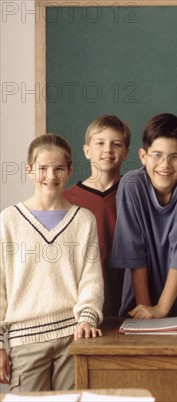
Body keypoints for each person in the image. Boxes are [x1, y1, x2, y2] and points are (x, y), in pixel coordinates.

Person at [0, 134, 103, 391]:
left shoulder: (83, 220)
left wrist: (87, 318)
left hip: (73, 336)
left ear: (69, 171)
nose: (50, 176)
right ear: (29, 169)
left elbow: (91, 277)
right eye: (42, 168)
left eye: (58, 169)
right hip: (25, 341)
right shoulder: (8, 221)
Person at [110, 113, 177, 319]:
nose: (164, 165)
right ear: (142, 156)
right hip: (140, 296)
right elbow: (134, 253)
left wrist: (161, 309)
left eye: (174, 157)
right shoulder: (131, 185)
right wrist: (146, 308)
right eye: (156, 155)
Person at [63, 115, 130, 317]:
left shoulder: (135, 195)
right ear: (87, 151)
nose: (108, 150)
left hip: (128, 301)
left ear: (126, 152)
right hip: (81, 307)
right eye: (100, 143)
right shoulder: (65, 200)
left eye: (116, 144)